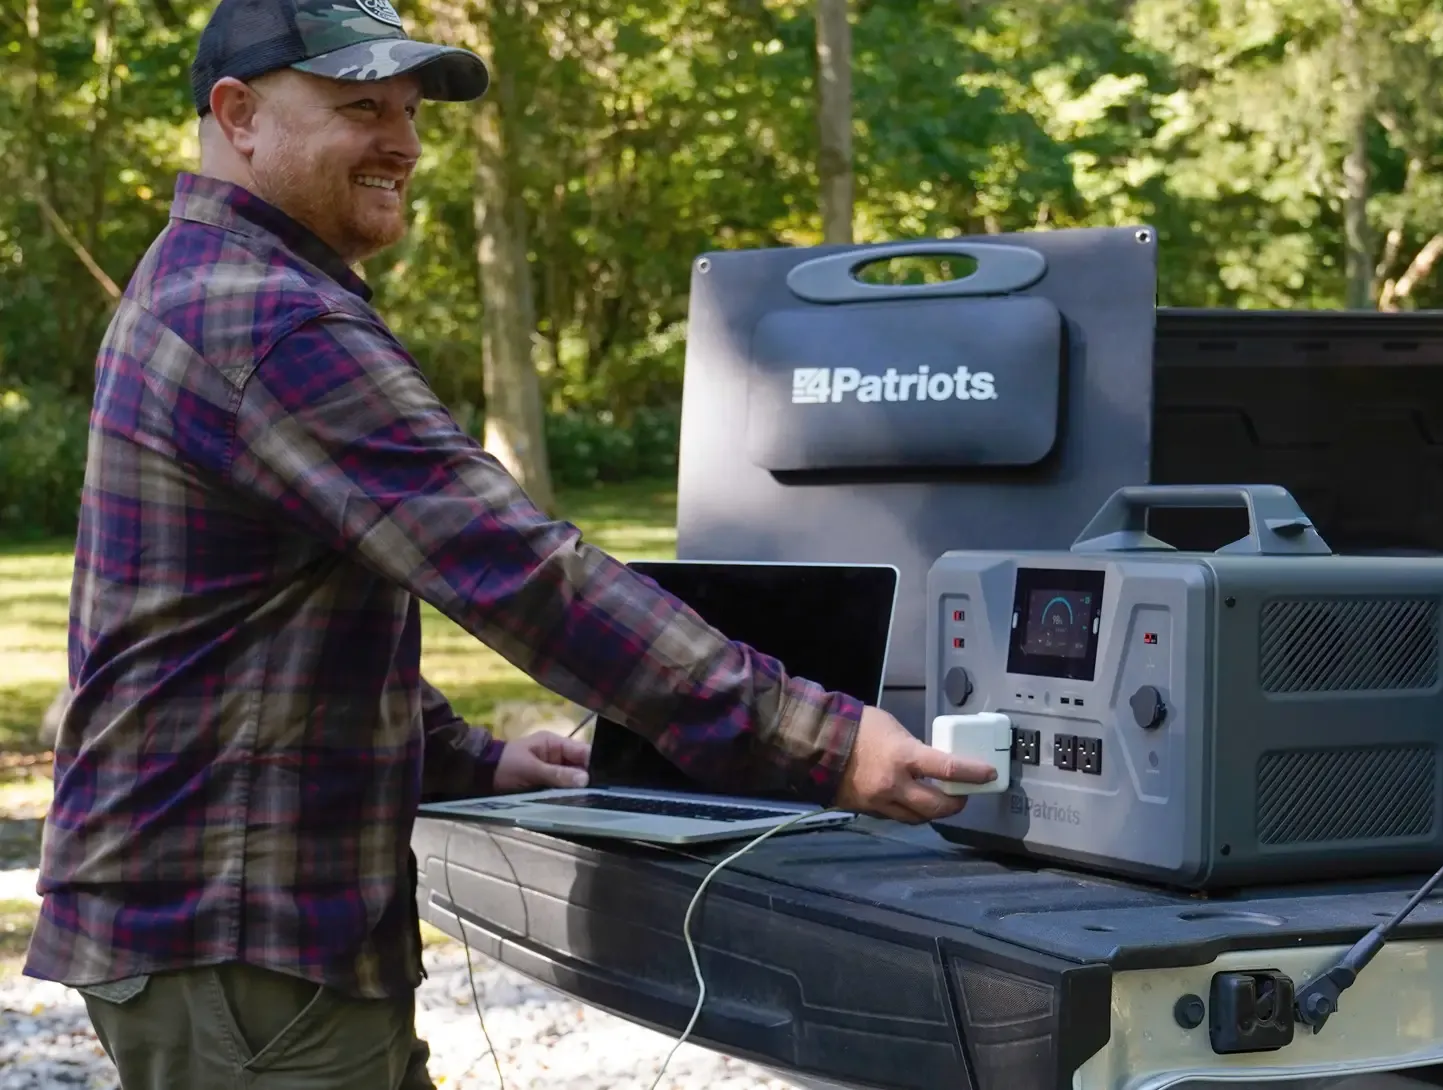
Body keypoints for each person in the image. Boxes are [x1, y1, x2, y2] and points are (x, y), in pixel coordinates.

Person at [23, 0, 998, 1086]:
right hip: (239, 938)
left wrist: (475, 760)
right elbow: (519, 570)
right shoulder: (269, 318)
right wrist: (821, 740)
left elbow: (259, 627)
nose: (403, 141)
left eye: (409, 109)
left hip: (216, 929)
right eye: (360, 107)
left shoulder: (201, 280)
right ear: (239, 114)